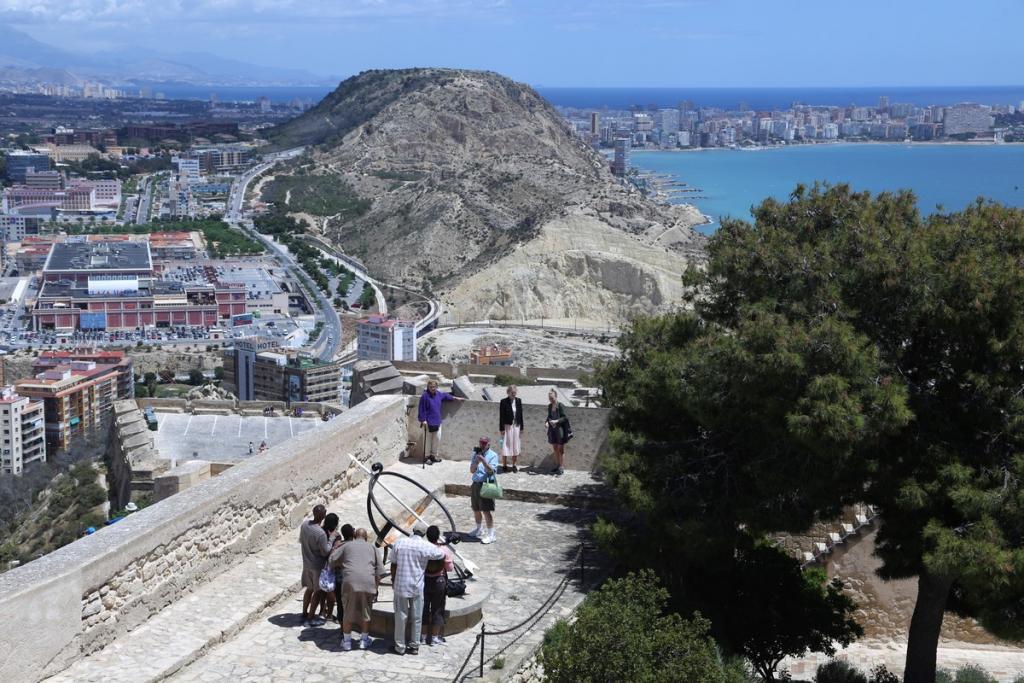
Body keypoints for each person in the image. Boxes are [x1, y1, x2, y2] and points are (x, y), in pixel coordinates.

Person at [390, 524, 444, 655]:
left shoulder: (400, 543)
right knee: (417, 617)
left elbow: (393, 563)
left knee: (400, 617)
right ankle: (414, 646)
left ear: (413, 531)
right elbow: (441, 554)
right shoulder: (426, 546)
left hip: (401, 585)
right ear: (424, 534)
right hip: (417, 586)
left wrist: (393, 580)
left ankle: (400, 646)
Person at [332, 526, 385, 651]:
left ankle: (347, 641)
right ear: (366, 538)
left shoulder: (347, 546)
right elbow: (380, 572)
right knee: (366, 612)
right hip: (368, 582)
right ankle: (364, 640)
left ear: (355, 536)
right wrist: (375, 588)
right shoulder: (372, 548)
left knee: (347, 612)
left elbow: (332, 560)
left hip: (350, 582)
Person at [421, 525, 455, 646]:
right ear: (438, 536)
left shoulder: (423, 548)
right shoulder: (444, 550)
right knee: (438, 609)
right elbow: (450, 568)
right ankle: (435, 637)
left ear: (427, 536)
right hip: (439, 581)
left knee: (424, 608)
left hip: (424, 581)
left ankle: (423, 637)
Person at [299, 504, 331, 627]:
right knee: (317, 592)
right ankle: (311, 617)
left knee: (309, 589)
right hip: (317, 566)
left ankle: (304, 613)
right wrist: (331, 541)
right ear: (324, 515)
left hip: (306, 563)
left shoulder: (304, 525)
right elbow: (325, 551)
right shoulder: (321, 533)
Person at [417, 380, 465, 464]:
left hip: (437, 421)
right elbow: (421, 409)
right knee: (428, 440)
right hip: (428, 422)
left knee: (437, 439)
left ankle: (433, 456)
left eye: (434, 387)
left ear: (436, 387)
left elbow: (446, 396)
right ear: (428, 387)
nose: (432, 388)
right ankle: (426, 457)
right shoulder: (424, 396)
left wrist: (456, 398)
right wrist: (423, 420)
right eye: (431, 387)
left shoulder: (438, 394)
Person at [468, 436, 499, 544]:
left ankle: (491, 535)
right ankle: (479, 529)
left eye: (484, 443)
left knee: (486, 510)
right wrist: (476, 462)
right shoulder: (475, 454)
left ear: (489, 444)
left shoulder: (493, 455)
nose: (482, 445)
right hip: (476, 483)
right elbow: (472, 471)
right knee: (476, 509)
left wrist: (483, 461)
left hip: (486, 484)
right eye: (481, 442)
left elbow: (491, 471)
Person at [317, 514, 341, 621]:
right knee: (331, 590)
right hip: (330, 565)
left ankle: (322, 611)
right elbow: (335, 552)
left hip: (319, 563)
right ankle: (329, 614)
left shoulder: (320, 532)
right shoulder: (336, 536)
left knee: (322, 589)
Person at [498, 385, 524, 473]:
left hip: (516, 426)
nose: (513, 394)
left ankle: (514, 465)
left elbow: (520, 414)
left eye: (515, 393)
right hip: (507, 426)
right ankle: (504, 465)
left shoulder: (518, 401)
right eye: (512, 393)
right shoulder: (503, 401)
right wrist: (501, 428)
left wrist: (522, 427)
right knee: (506, 445)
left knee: (515, 445)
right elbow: (501, 416)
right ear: (508, 392)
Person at [545, 390, 568, 475]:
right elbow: (549, 417)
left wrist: (556, 421)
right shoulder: (550, 406)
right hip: (552, 430)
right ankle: (557, 465)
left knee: (560, 449)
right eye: (549, 398)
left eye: (552, 397)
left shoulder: (560, 405)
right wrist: (547, 422)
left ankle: (561, 467)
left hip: (560, 431)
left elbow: (565, 418)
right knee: (555, 448)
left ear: (556, 396)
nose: (551, 399)